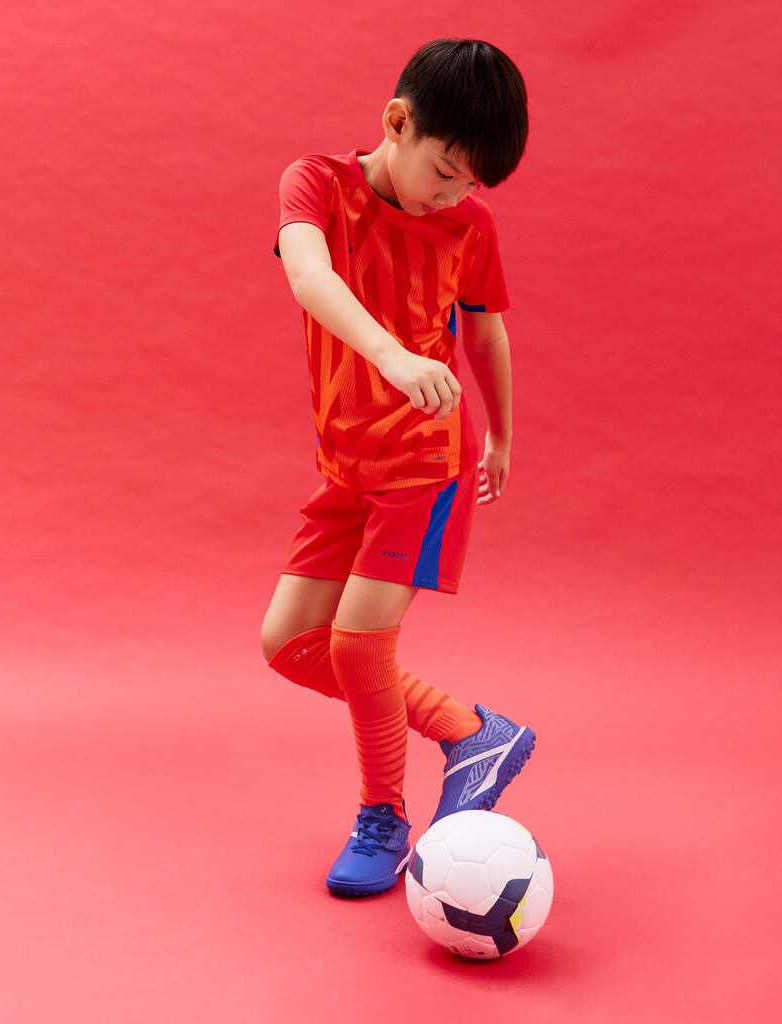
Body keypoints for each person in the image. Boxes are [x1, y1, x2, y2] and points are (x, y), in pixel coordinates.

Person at [260, 39, 535, 898]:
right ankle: (470, 730)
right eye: (446, 170)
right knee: (288, 645)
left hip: (424, 461)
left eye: (470, 184)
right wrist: (388, 354)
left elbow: (485, 330)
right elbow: (307, 274)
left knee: (356, 641)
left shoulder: (469, 226)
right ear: (396, 121)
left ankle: (383, 813)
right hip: (348, 464)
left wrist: (500, 438)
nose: (453, 194)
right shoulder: (316, 184)